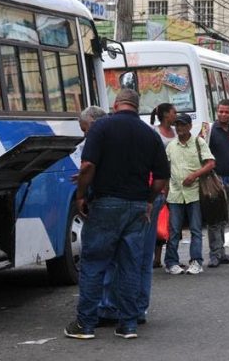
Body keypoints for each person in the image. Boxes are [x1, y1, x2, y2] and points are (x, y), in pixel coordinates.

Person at [65, 89, 170, 340]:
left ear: (115, 104)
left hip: (106, 204)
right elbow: (162, 178)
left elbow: (88, 166)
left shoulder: (102, 128)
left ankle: (85, 324)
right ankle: (128, 325)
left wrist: (81, 195)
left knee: (94, 263)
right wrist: (148, 200)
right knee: (130, 265)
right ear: (136, 106)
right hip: (136, 207)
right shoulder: (150, 134)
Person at [164, 113, 215, 275]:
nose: (179, 128)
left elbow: (211, 163)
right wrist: (165, 191)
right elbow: (167, 169)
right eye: (177, 125)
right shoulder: (171, 146)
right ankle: (171, 262)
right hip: (175, 194)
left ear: (189, 127)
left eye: (183, 125)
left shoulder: (198, 143)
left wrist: (195, 175)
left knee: (195, 229)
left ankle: (196, 261)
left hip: (194, 193)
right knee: (174, 231)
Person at [207, 99, 229, 268]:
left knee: (225, 218)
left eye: (227, 112)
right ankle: (214, 254)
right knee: (214, 218)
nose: (223, 114)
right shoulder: (211, 131)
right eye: (220, 111)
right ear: (216, 112)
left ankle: (222, 253)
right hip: (215, 180)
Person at [150, 103, 177, 268]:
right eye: (174, 112)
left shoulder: (176, 131)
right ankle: (155, 258)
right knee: (156, 219)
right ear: (166, 114)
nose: (176, 115)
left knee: (172, 221)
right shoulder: (154, 133)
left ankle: (169, 257)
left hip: (176, 181)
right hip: (160, 180)